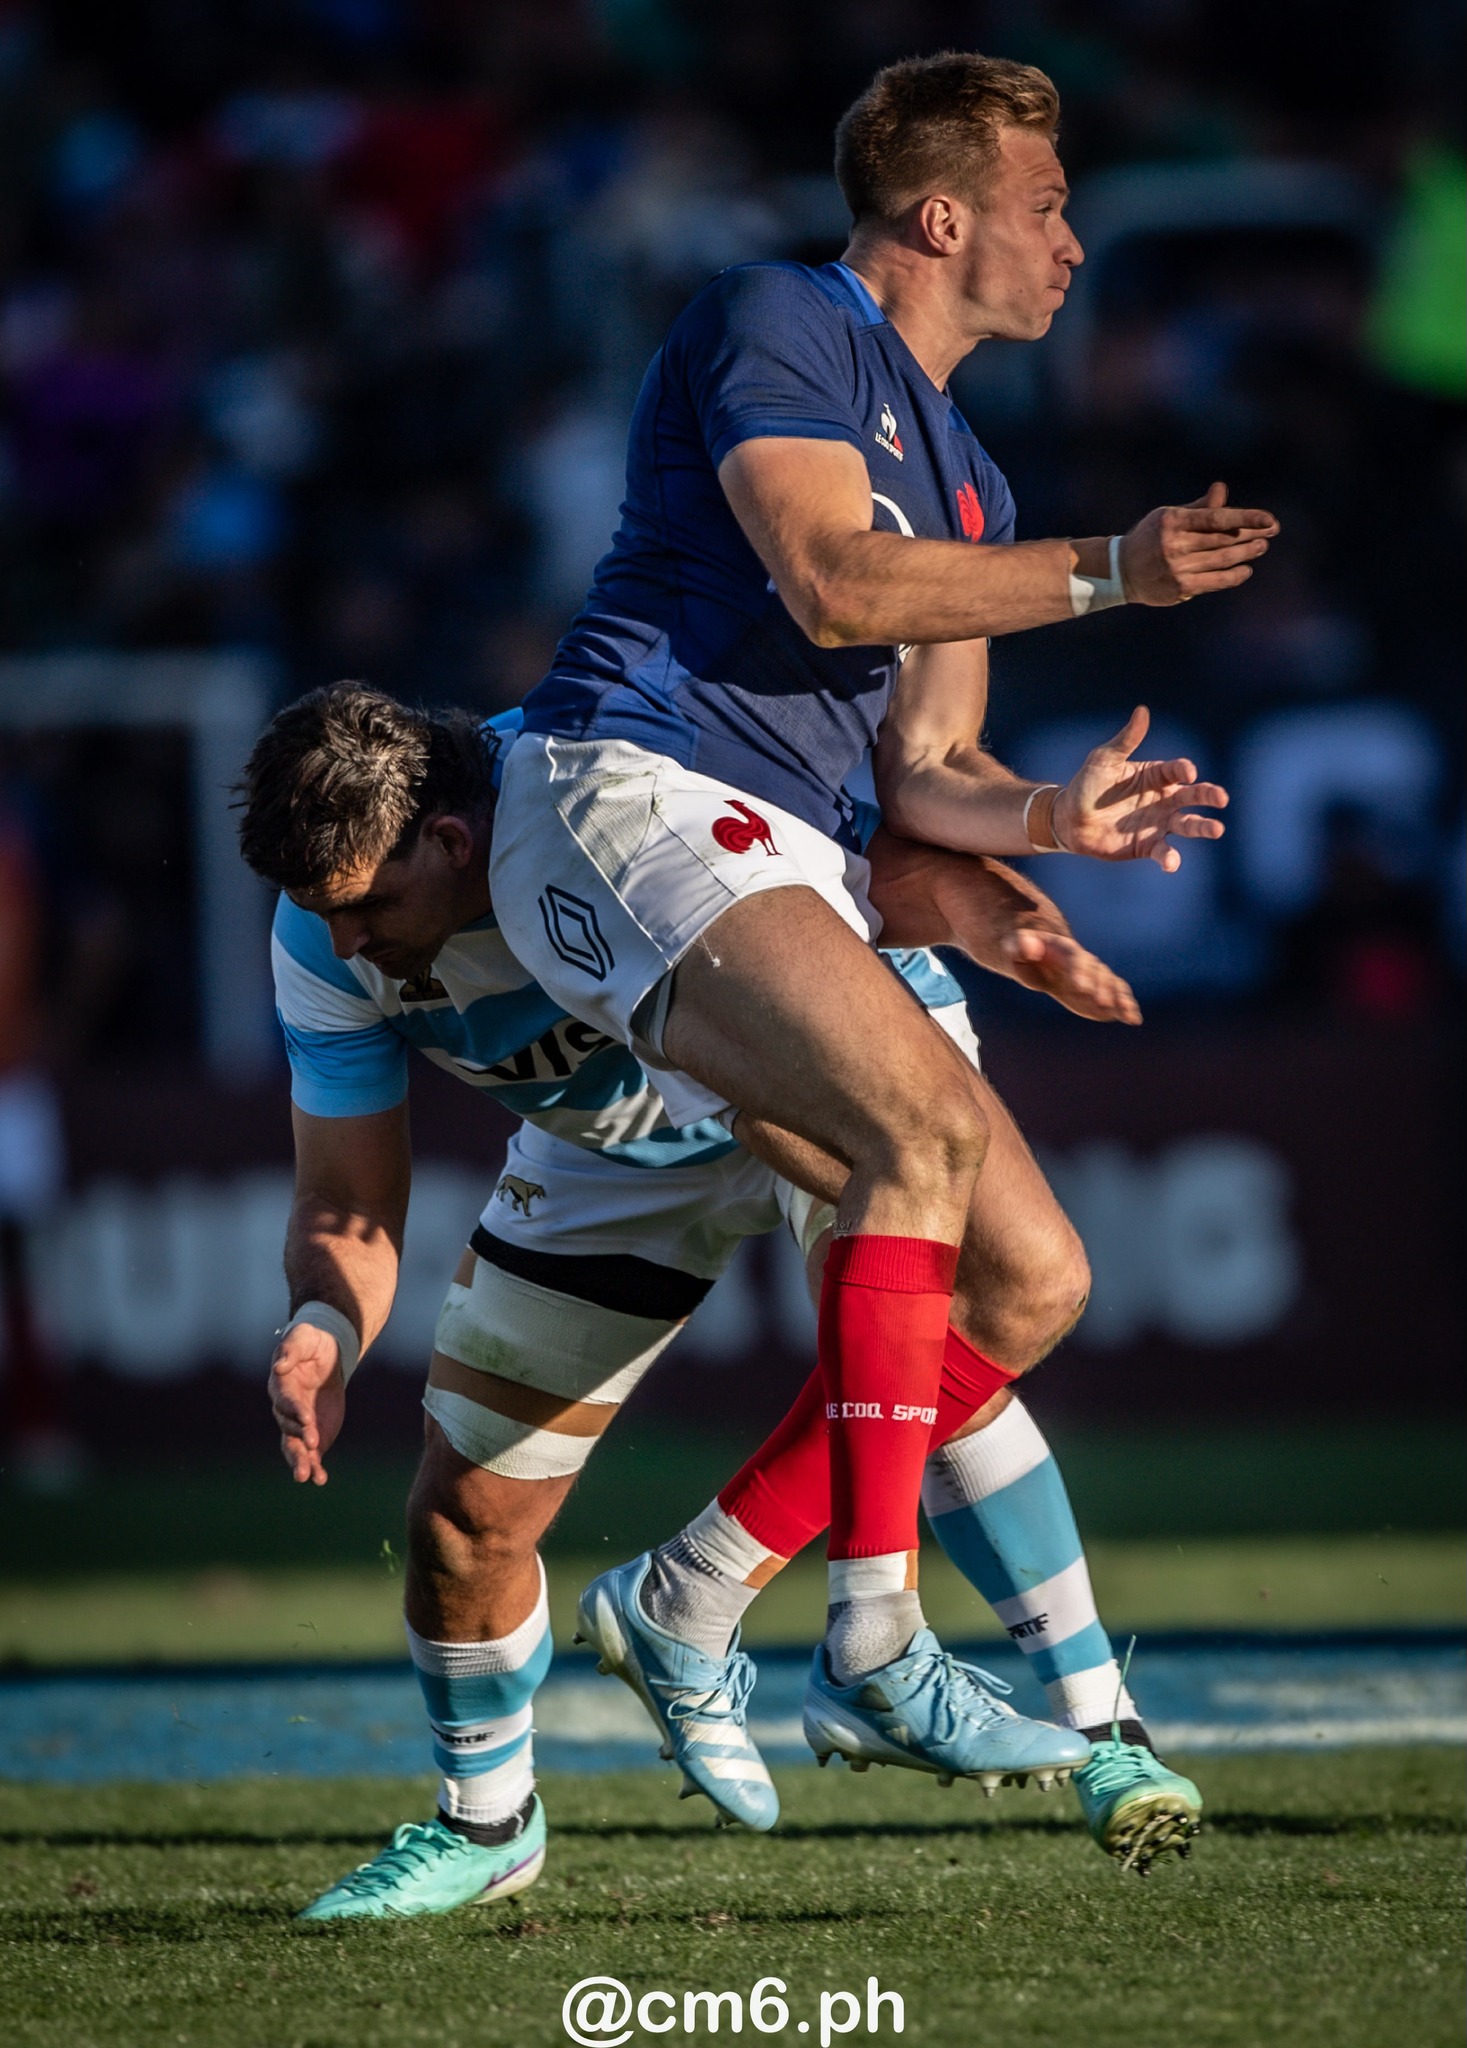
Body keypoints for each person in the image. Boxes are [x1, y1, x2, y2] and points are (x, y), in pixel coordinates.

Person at [486, 49, 1273, 1784]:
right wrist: (1112, 571)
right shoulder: (779, 316)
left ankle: (692, 1589)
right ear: (939, 214)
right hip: (633, 791)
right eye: (1047, 205)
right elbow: (830, 577)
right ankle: (876, 1634)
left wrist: (1045, 821)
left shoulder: (974, 473)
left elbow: (925, 758)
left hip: (795, 853)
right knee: (913, 1129)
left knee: (1030, 1278)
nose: (1074, 244)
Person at [236, 685, 1183, 1923]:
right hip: (608, 1151)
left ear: (454, 841)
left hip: (818, 1050)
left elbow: (869, 838)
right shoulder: (322, 941)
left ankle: (1097, 1720)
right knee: (464, 1518)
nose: (349, 942)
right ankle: (487, 1819)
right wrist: (325, 1321)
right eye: (325, 914)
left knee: (932, 1343)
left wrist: (1004, 913)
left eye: (367, 907)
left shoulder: (605, 779)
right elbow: (348, 1198)